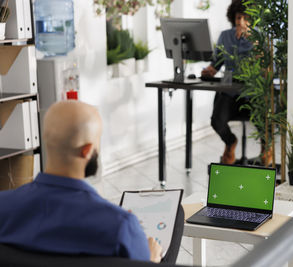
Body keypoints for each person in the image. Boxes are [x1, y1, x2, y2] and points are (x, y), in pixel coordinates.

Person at [0, 101, 183, 264]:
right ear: (87, 151)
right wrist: (150, 260)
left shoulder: (3, 206)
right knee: (177, 215)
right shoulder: (120, 225)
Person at [202, 0, 255, 165]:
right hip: (230, 89)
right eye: (238, 18)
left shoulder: (259, 38)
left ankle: (266, 149)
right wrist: (210, 69)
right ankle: (230, 141)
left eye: (245, 18)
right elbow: (217, 62)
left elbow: (268, 66)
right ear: (233, 17)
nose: (241, 22)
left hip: (252, 92)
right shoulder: (225, 36)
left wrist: (253, 42)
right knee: (217, 120)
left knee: (264, 119)